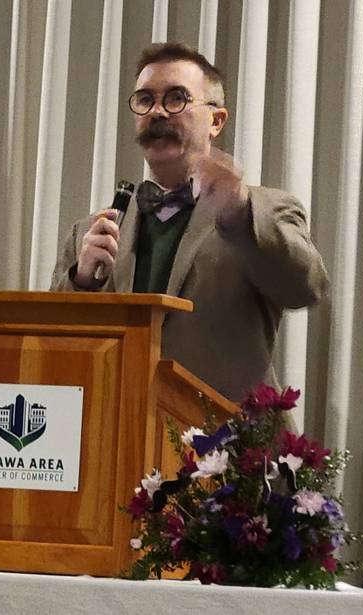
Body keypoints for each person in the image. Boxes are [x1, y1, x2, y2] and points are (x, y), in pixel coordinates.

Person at [51, 43, 327, 402]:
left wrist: (241, 217)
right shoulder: (90, 231)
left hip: (227, 446)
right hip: (117, 437)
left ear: (216, 121)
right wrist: (81, 281)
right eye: (145, 99)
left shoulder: (263, 210)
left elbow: (305, 288)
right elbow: (54, 344)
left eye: (177, 98)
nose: (158, 112)